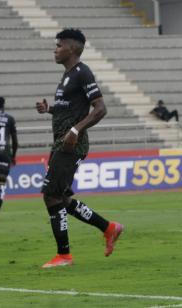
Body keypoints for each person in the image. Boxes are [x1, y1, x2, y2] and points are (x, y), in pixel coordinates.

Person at [35, 28, 123, 268]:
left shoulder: (82, 73)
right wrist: (50, 109)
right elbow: (70, 108)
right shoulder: (67, 75)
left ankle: (64, 255)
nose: (55, 49)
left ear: (72, 48)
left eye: (59, 45)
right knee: (60, 196)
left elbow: (100, 109)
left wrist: (76, 130)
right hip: (61, 142)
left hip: (71, 144)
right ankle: (109, 228)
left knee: (52, 195)